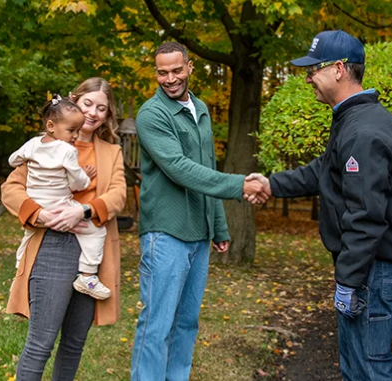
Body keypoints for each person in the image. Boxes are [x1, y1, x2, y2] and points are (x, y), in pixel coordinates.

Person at [248, 30, 392, 381]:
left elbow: (366, 216)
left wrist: (349, 281)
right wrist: (271, 184)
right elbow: (324, 171)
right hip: (366, 267)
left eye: (313, 70)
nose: (308, 78)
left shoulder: (364, 132)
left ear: (338, 69)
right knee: (354, 366)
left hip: (372, 270)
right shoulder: (353, 120)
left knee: (369, 369)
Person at [130, 41, 269, 381]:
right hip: (166, 231)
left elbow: (206, 167)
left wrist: (218, 225)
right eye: (162, 73)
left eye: (177, 70)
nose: (170, 79)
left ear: (190, 67)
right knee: (158, 323)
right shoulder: (152, 114)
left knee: (187, 322)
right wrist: (240, 185)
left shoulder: (201, 108)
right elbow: (179, 169)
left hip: (198, 233)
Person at [2, 77, 128, 381]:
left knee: (74, 343)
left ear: (107, 115)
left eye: (101, 108)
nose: (93, 113)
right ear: (74, 102)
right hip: (52, 247)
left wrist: (83, 210)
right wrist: (42, 215)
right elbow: (11, 189)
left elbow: (118, 195)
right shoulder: (45, 146)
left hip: (92, 255)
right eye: (88, 104)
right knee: (41, 343)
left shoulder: (111, 153)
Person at [7, 95, 113, 300]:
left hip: (36, 204)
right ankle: (88, 275)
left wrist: (31, 162)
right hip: (60, 205)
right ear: (51, 126)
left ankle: (19, 277)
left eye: (77, 130)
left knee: (27, 238)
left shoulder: (32, 144)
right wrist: (86, 176)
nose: (75, 135)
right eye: (71, 130)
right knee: (96, 232)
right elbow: (78, 183)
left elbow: (13, 160)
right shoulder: (67, 150)